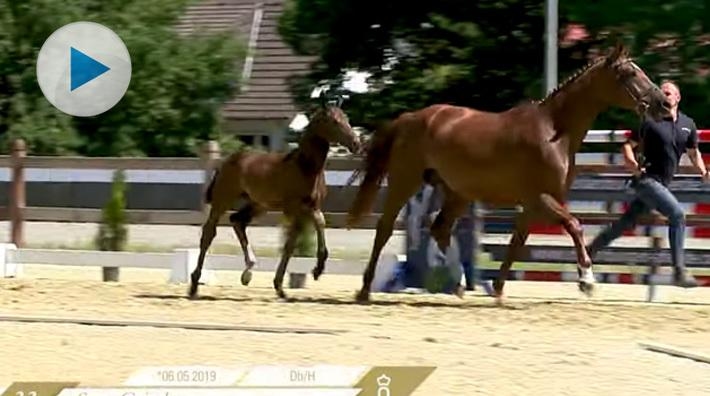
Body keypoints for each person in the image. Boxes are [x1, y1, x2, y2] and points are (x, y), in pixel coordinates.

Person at [586, 80, 710, 288]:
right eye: (662, 93)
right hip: (646, 181)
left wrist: (704, 172)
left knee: (625, 223)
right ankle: (679, 271)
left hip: (662, 184)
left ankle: (590, 250)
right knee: (678, 216)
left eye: (668, 93)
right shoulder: (650, 120)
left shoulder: (688, 125)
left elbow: (693, 153)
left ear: (678, 98)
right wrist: (632, 164)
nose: (665, 96)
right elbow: (628, 145)